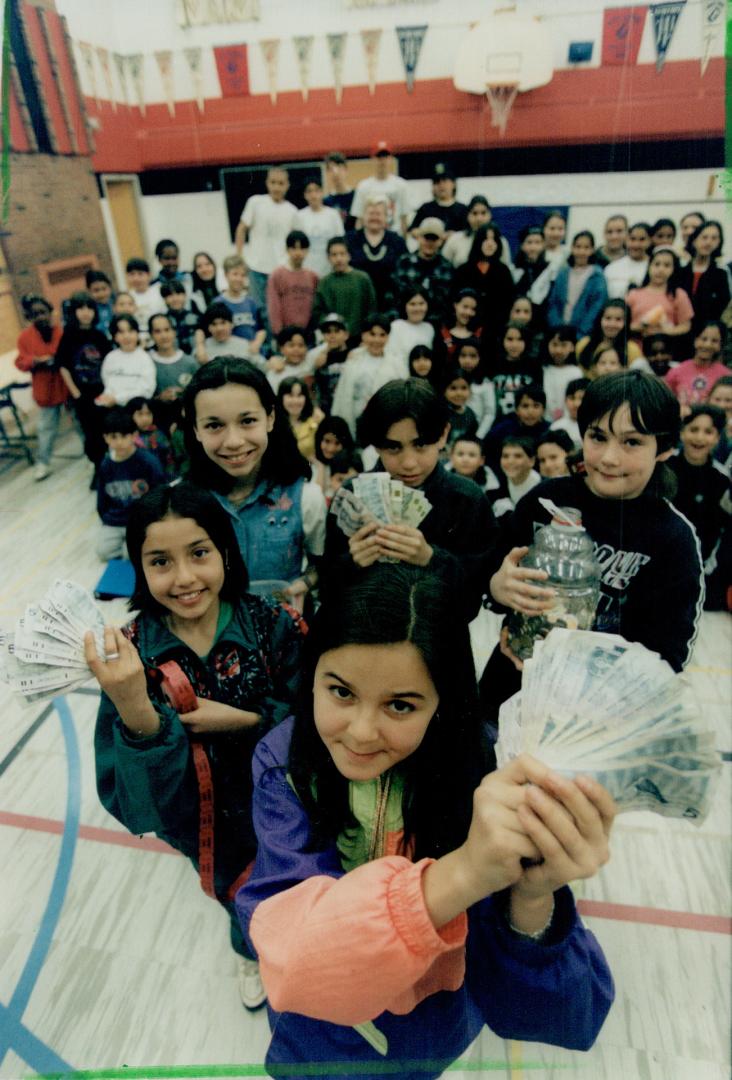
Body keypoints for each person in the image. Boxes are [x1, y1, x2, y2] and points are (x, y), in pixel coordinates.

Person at [235, 564, 615, 1079]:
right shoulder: (284, 766)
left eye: (400, 705)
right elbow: (296, 958)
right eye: (341, 692)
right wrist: (463, 874)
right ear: (313, 676)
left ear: (442, 703)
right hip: (317, 1037)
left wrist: (532, 900)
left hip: (430, 1028)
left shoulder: (486, 777)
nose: (362, 732)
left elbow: (564, 1019)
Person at [87, 481, 306, 1010]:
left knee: (294, 884)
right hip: (201, 822)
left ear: (226, 552)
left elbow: (318, 719)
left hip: (287, 806)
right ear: (139, 568)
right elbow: (136, 802)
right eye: (160, 561)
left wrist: (245, 720)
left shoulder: (272, 624)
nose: (184, 579)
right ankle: (247, 947)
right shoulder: (129, 655)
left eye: (200, 553)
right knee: (238, 895)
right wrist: (137, 710)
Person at [481, 370, 704, 737]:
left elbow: (668, 656)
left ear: (663, 448)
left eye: (632, 442)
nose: (609, 458)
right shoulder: (545, 501)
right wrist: (497, 585)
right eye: (597, 437)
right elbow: (490, 571)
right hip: (509, 692)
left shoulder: (672, 538)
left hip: (597, 723)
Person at [323, 379, 497, 620]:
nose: (409, 463)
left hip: (438, 644)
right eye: (393, 448)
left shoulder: (468, 500)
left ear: (443, 434)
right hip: (363, 640)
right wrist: (352, 564)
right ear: (376, 445)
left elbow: (470, 604)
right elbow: (327, 591)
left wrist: (431, 559)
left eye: (421, 445)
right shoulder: (352, 496)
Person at [180, 357, 326, 608]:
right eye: (214, 425)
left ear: (270, 418)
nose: (234, 441)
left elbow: (321, 564)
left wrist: (305, 583)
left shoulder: (305, 498)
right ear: (196, 430)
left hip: (285, 630)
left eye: (247, 421)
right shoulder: (179, 503)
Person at [95, 408, 165, 560]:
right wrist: (107, 518)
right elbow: (102, 498)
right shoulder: (106, 465)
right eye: (113, 437)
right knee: (103, 552)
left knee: (131, 555)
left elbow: (160, 492)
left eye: (124, 436)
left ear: (134, 435)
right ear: (106, 438)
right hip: (115, 521)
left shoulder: (147, 462)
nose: (119, 442)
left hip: (141, 521)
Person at [668, 405, 730, 567]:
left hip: (698, 559)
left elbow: (719, 525)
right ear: (682, 433)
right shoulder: (665, 465)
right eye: (693, 429)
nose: (699, 438)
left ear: (717, 438)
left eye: (708, 432)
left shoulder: (721, 478)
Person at [56, 290, 112, 469]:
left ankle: (111, 465)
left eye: (90, 308)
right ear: (74, 312)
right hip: (82, 395)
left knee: (107, 429)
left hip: (102, 393)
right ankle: (98, 468)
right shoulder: (68, 337)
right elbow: (63, 366)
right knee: (91, 433)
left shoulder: (99, 336)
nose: (86, 312)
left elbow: (110, 364)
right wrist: (76, 393)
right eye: (81, 308)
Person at [15, 294, 67, 482]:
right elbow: (20, 361)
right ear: (29, 317)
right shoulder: (24, 337)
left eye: (43, 312)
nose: (41, 317)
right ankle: (43, 463)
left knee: (79, 423)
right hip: (45, 389)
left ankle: (91, 456)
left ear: (50, 312)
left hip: (66, 385)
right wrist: (35, 361)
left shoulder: (61, 331)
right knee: (46, 428)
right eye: (35, 314)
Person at [235, 167, 298, 313]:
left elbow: (295, 243)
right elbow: (241, 229)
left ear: (287, 185)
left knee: (280, 310)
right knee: (258, 310)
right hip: (256, 269)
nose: (276, 187)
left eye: (281, 183)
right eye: (273, 182)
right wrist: (240, 258)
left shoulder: (293, 211)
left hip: (281, 269)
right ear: (267, 183)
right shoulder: (255, 202)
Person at [331, 314, 402, 438]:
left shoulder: (396, 363)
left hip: (386, 425)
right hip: (356, 421)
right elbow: (342, 395)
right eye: (372, 334)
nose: (377, 340)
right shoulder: (354, 358)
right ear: (363, 335)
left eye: (382, 335)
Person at [453, 224, 515, 345]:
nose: (490, 244)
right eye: (486, 239)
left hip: (495, 331)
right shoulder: (464, 270)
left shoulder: (504, 271)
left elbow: (508, 301)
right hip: (467, 329)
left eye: (494, 240)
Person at [346, 195, 407, 317]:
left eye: (378, 214)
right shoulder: (350, 240)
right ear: (363, 216)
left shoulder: (396, 241)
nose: (374, 217)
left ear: (386, 217)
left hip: (390, 303)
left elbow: (405, 272)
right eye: (370, 213)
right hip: (357, 301)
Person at [312, 238, 378, 344]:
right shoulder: (325, 283)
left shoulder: (362, 279)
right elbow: (318, 313)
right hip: (334, 340)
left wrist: (367, 334)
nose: (339, 259)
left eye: (342, 254)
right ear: (328, 258)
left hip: (359, 339)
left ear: (349, 255)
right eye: (334, 255)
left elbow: (371, 309)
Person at [392, 219, 455, 329]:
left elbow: (449, 303)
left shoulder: (447, 268)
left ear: (441, 241)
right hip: (406, 323)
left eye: (434, 239)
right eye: (426, 238)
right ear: (419, 238)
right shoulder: (403, 263)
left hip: (437, 326)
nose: (429, 243)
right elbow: (394, 297)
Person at [546, 231, 608, 338]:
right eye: (578, 247)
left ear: (592, 250)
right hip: (559, 331)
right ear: (572, 248)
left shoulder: (597, 276)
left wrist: (581, 332)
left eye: (586, 247)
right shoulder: (563, 273)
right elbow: (553, 302)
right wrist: (557, 327)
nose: (581, 251)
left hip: (583, 333)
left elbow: (596, 307)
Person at [627, 247, 693, 342]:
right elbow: (625, 324)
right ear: (649, 266)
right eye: (656, 264)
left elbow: (685, 326)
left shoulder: (678, 294)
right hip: (636, 345)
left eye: (667, 265)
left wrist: (667, 331)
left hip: (666, 347)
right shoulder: (634, 294)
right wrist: (639, 327)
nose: (661, 269)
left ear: (673, 269)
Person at [678, 220, 730, 335]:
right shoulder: (680, 271)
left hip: (707, 333)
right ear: (694, 240)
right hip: (680, 330)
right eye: (704, 237)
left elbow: (723, 305)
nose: (708, 242)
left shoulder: (721, 274)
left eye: (714, 238)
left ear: (719, 242)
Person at [148, 312, 198, 431]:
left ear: (174, 332)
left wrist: (184, 394)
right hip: (158, 423)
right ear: (151, 335)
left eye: (167, 330)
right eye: (157, 331)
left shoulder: (189, 362)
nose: (164, 335)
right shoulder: (147, 362)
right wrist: (160, 398)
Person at [664, 321, 729, 412]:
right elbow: (665, 403)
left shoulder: (726, 375)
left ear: (720, 345)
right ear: (695, 340)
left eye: (714, 341)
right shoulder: (676, 372)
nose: (707, 345)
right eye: (703, 339)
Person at [351, 140, 411, 236]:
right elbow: (359, 219)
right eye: (379, 157)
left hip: (394, 237)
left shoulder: (401, 185)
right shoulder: (364, 186)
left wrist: (404, 243)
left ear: (390, 159)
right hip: (371, 238)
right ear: (373, 159)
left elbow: (404, 218)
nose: (382, 161)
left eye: (385, 157)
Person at [266, 230, 319, 336]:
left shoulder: (312, 276)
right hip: (285, 333)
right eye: (294, 248)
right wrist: (279, 332)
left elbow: (316, 306)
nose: (298, 253)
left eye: (302, 248)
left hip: (307, 333)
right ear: (287, 249)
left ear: (307, 250)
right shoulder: (277, 275)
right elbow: (274, 306)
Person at [97, 315, 156, 409]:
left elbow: (147, 390)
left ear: (137, 334)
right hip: (113, 406)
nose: (126, 336)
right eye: (121, 332)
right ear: (115, 336)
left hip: (137, 408)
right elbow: (108, 383)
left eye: (130, 331)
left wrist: (118, 398)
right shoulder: (110, 357)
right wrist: (107, 397)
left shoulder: (144, 358)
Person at [215, 254, 266, 358]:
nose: (239, 278)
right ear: (226, 275)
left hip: (252, 354)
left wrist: (257, 343)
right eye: (235, 274)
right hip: (231, 355)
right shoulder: (218, 303)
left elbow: (261, 329)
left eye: (242, 275)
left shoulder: (251, 302)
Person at [489, 322, 541, 423]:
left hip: (525, 421)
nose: (514, 344)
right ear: (502, 340)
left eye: (520, 339)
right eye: (509, 339)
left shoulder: (534, 366)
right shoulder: (492, 365)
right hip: (497, 422)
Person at [295, 178, 344, 278]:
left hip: (330, 271)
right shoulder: (299, 216)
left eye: (316, 190)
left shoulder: (333, 215)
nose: (313, 195)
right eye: (309, 191)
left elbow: (340, 242)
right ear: (305, 195)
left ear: (322, 192)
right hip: (306, 271)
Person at [576, 299, 643, 371]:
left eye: (618, 319)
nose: (612, 324)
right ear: (600, 320)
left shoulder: (632, 350)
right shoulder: (583, 344)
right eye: (608, 318)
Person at [409, 163, 468, 238]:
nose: (441, 185)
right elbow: (413, 231)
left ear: (453, 184)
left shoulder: (463, 210)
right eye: (437, 182)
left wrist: (454, 236)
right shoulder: (426, 209)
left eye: (445, 180)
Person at [490, 434, 542, 519]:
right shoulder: (497, 487)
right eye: (505, 456)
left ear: (532, 461)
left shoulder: (542, 488)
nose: (510, 461)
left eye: (518, 456)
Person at [311, 415, 361, 500]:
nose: (331, 448)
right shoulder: (313, 465)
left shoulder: (351, 466)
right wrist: (321, 467)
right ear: (319, 439)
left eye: (337, 443)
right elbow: (316, 498)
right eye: (327, 441)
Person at [309, 312, 350, 414]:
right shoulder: (317, 357)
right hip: (326, 410)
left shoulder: (354, 355)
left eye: (337, 331)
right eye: (328, 332)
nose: (332, 336)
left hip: (348, 407)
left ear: (346, 334)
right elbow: (313, 388)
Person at [276, 375, 324, 462]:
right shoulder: (274, 423)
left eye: (299, 395)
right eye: (290, 395)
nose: (295, 401)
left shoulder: (316, 419)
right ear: (281, 397)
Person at [454, 337, 495, 438]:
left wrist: (478, 436)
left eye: (473, 356)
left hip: (477, 434)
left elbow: (489, 413)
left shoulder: (485, 384)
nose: (467, 360)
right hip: (455, 432)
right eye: (463, 356)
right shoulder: (452, 381)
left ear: (480, 358)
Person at [541, 324, 583, 421]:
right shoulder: (543, 370)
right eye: (554, 344)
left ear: (572, 347)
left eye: (563, 345)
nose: (558, 350)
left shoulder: (576, 373)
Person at [388, 289, 435, 372]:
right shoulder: (396, 327)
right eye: (412, 304)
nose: (417, 309)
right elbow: (390, 359)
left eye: (421, 304)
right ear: (405, 306)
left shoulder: (429, 328)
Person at [128, 396, 174, 478]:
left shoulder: (158, 435)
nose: (145, 419)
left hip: (159, 477)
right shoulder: (127, 437)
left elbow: (169, 459)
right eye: (140, 414)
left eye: (148, 413)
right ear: (130, 415)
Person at [441, 195, 492, 269]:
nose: (479, 219)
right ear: (468, 216)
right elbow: (442, 267)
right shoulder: (455, 239)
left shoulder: (499, 241)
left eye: (483, 213)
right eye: (474, 213)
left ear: (490, 215)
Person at [603, 221, 651, 299]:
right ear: (626, 240)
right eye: (632, 239)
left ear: (649, 241)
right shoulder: (611, 269)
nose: (636, 244)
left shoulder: (654, 268)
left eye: (642, 240)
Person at [124, 258, 165, 339]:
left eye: (140, 274)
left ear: (149, 275)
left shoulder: (159, 290)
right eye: (132, 274)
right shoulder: (127, 297)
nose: (136, 278)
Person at [266, 325, 314, 394]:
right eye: (291, 345)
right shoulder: (275, 373)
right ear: (281, 349)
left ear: (306, 348)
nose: (296, 349)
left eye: (301, 345)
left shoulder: (310, 361)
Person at [160, 280, 202, 355]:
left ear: (185, 296)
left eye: (178, 294)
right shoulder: (163, 322)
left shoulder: (196, 318)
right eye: (170, 295)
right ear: (164, 299)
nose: (175, 299)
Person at [441, 363, 478, 443]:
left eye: (464, 388)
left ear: (470, 391)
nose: (459, 393)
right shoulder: (441, 415)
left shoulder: (470, 415)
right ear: (444, 391)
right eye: (453, 388)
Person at [550, 376, 589, 449]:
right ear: (565, 400)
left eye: (581, 398)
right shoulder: (556, 428)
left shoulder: (596, 427)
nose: (576, 404)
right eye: (572, 398)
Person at [323, 150, 355, 231]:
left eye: (339, 168)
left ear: (346, 170)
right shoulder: (326, 202)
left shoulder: (356, 196)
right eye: (331, 169)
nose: (335, 173)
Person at [85, 270, 115, 336]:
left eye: (104, 289)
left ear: (110, 288)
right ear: (89, 292)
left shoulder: (117, 303)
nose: (101, 294)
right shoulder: (88, 310)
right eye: (96, 290)